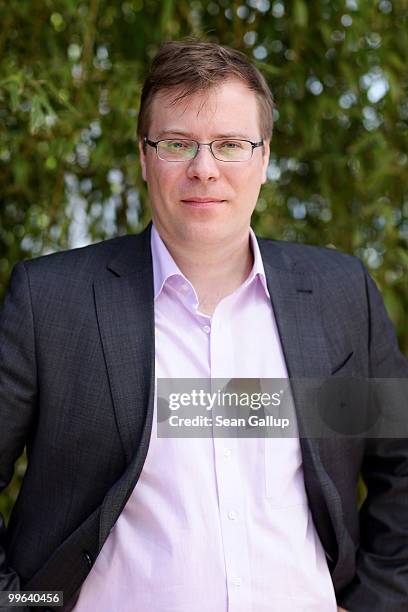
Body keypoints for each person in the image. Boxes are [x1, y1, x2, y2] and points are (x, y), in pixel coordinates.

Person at [0, 39, 407, 612]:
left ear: (264, 159)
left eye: (231, 145)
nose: (204, 169)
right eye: (177, 144)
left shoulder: (338, 296)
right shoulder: (52, 303)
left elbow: (401, 467)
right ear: (144, 157)